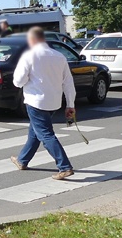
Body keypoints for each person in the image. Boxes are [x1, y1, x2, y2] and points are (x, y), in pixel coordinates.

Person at [10, 27, 76, 180]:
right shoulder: (59, 56)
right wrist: (70, 104)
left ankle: (65, 166)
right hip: (53, 102)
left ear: (32, 40)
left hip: (36, 101)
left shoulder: (29, 56)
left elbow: (18, 82)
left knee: (45, 134)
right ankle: (22, 160)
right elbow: (68, 83)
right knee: (35, 132)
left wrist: (27, 80)